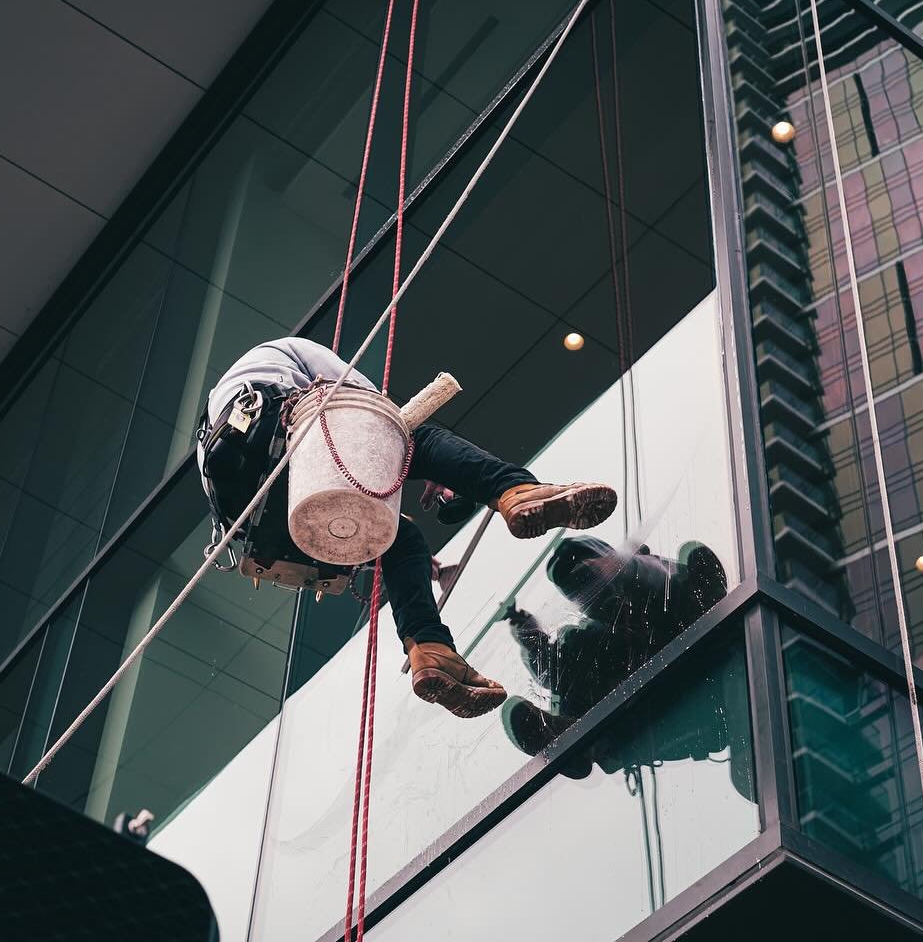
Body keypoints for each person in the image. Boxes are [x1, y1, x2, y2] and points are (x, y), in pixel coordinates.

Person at [198, 337, 619, 719]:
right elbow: (370, 411)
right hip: (278, 439)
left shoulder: (215, 430)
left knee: (403, 541)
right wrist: (433, 466)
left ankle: (430, 651)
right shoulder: (289, 349)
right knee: (419, 437)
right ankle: (516, 491)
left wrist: (420, 565)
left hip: (264, 521)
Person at [500, 535, 747, 798]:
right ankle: (573, 742)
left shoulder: (664, 588)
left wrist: (628, 569)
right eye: (581, 588)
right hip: (662, 712)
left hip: (717, 675)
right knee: (575, 658)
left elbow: (705, 579)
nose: (592, 592)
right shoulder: (592, 643)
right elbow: (558, 666)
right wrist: (532, 639)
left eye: (588, 580)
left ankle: (579, 743)